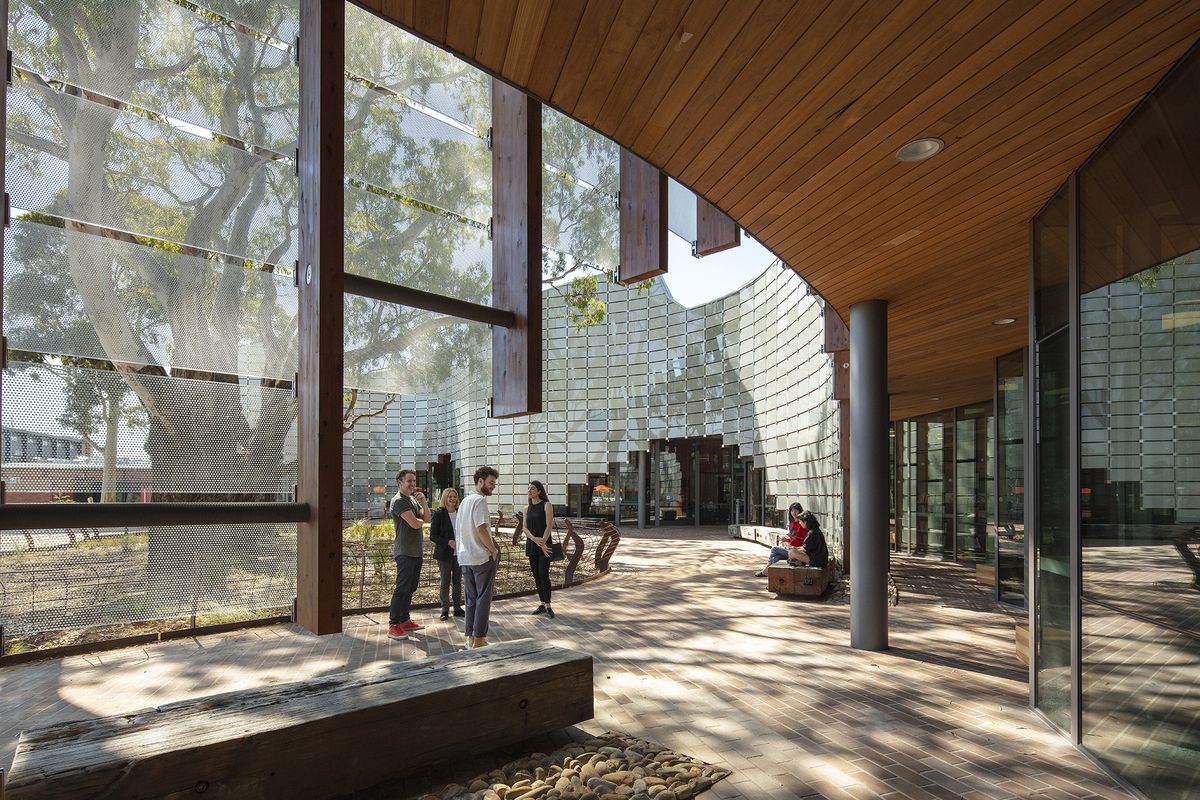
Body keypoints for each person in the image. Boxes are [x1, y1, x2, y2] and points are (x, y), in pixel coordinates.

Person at [456, 466, 500, 648]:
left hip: (465, 557)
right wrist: (493, 550)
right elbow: (481, 528)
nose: (493, 487)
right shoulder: (479, 501)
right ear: (480, 481)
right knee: (483, 599)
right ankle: (480, 639)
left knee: (471, 599)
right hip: (481, 557)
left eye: (494, 484)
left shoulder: (465, 501)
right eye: (491, 483)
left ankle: (469, 638)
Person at [387, 469, 431, 640]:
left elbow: (426, 519)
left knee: (411, 587)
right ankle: (393, 625)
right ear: (399, 482)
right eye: (409, 481)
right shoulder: (398, 501)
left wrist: (425, 504)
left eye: (414, 481)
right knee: (402, 588)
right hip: (404, 551)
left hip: (415, 551)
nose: (413, 484)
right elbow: (414, 524)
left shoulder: (412, 499)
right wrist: (419, 520)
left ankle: (404, 619)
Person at [521, 480, 556, 618]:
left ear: (539, 491)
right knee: (536, 575)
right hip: (532, 544)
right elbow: (524, 527)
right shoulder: (526, 509)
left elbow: (549, 526)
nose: (529, 491)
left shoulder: (546, 505)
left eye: (533, 489)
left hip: (545, 545)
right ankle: (541, 603)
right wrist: (534, 539)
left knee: (543, 574)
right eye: (528, 489)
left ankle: (548, 605)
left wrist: (542, 543)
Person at [429, 487, 464, 620]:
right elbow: (433, 536)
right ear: (445, 498)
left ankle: (457, 608)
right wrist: (447, 541)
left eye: (454, 497)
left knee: (457, 581)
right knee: (445, 581)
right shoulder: (439, 514)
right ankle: (444, 610)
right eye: (450, 497)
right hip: (444, 554)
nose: (452, 499)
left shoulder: (460, 512)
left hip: (459, 553)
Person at [754, 502, 805, 577]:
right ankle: (773, 575)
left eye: (796, 511)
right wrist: (787, 540)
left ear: (800, 511)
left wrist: (794, 537)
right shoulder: (792, 523)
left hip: (797, 551)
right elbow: (793, 539)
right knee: (775, 558)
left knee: (774, 548)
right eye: (792, 511)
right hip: (790, 549)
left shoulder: (802, 523)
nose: (794, 513)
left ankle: (765, 571)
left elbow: (805, 540)